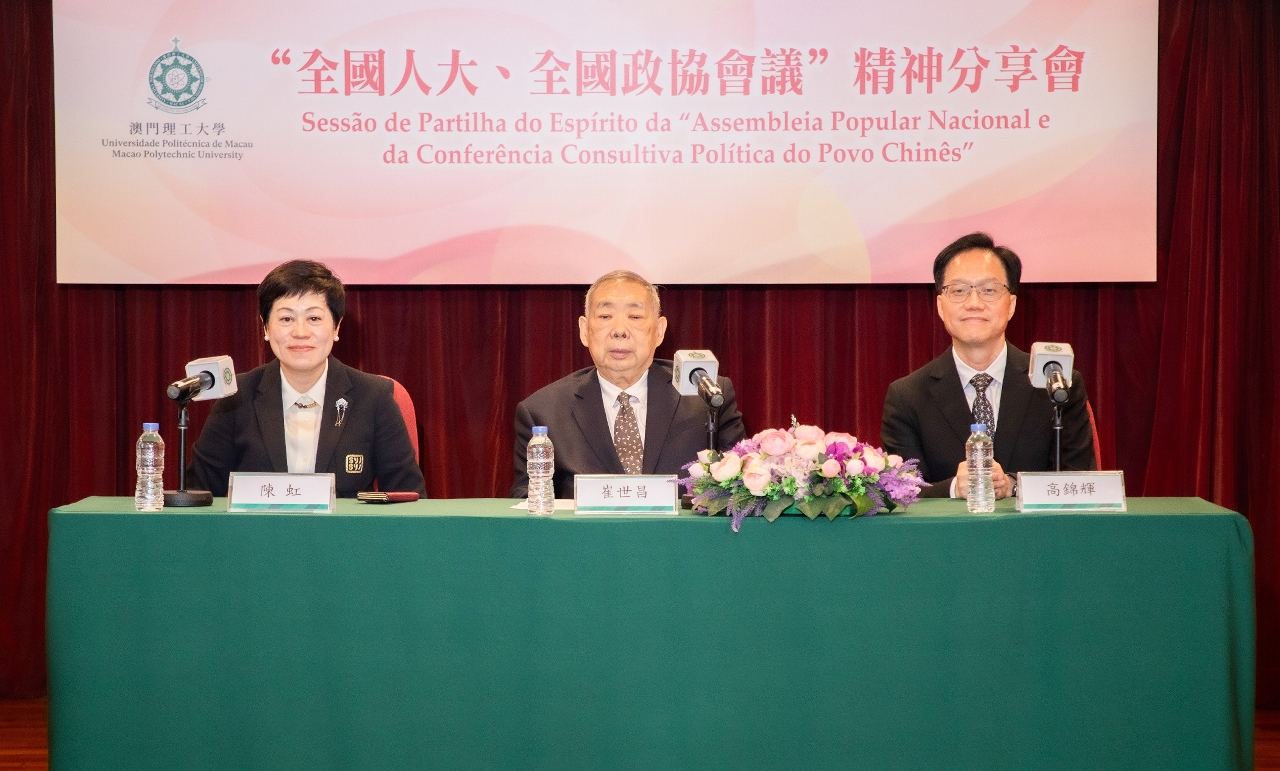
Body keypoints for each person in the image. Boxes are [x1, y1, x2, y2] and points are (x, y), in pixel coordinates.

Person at [880, 233, 1095, 499]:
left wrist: (1013, 485)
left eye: (989, 290)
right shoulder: (907, 397)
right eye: (959, 290)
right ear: (940, 306)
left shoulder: (1057, 385)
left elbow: (1080, 483)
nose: (974, 304)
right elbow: (900, 492)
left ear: (1011, 305)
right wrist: (954, 488)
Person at [191, 260, 426, 497]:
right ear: (266, 327)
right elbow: (198, 493)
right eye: (286, 319)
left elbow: (408, 498)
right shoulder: (236, 397)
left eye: (314, 318)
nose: (300, 333)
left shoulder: (374, 397)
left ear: (336, 327)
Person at [510, 270, 746, 499]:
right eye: (605, 316)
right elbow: (528, 504)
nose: (620, 331)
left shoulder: (706, 397)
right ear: (584, 330)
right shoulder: (543, 412)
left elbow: (739, 492)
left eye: (635, 317)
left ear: (659, 331)